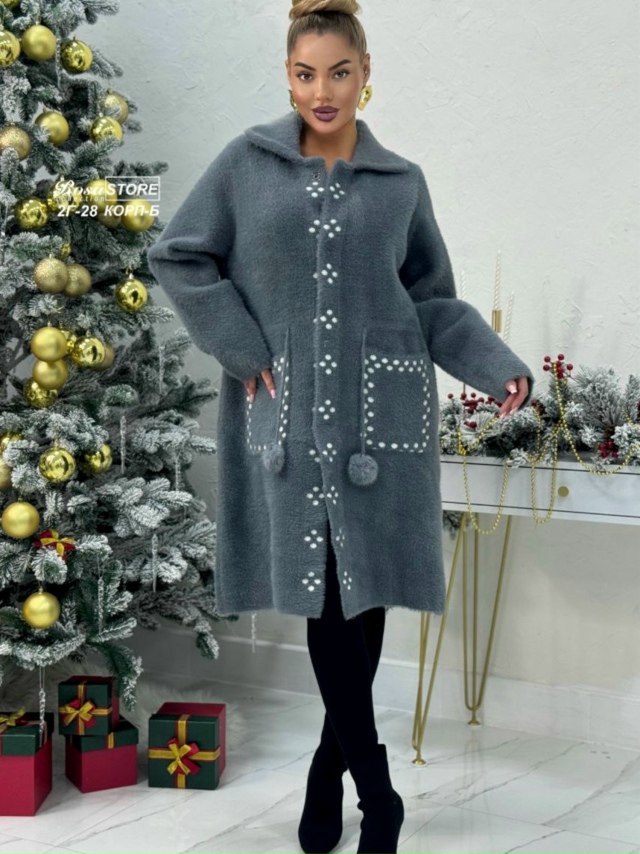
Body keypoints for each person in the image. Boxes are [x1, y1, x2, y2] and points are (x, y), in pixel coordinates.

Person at [147, 2, 534, 851]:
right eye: (305, 74)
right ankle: (378, 793)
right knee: (327, 596)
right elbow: (179, 253)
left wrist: (493, 362)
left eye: (339, 73)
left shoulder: (401, 183)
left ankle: (329, 773)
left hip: (382, 418)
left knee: (365, 595)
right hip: (288, 413)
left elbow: (430, 299)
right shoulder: (246, 165)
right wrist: (243, 348)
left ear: (365, 74)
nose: (323, 91)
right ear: (288, 78)